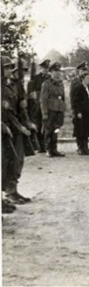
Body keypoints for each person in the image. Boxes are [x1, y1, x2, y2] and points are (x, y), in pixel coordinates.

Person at [2, 56, 33, 207]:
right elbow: (6, 112)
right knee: (6, 161)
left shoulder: (13, 85)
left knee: (17, 160)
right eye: (6, 67)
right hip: (6, 128)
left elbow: (21, 107)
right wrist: (20, 127)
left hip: (14, 128)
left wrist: (26, 122)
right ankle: (7, 193)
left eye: (10, 67)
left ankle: (12, 190)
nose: (9, 70)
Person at [40, 62, 66, 158]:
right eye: (55, 71)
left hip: (58, 109)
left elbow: (62, 97)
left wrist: (63, 109)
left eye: (58, 71)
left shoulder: (60, 84)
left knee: (56, 130)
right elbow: (43, 99)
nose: (57, 73)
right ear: (50, 72)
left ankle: (54, 149)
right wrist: (45, 113)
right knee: (48, 130)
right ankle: (48, 149)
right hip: (50, 110)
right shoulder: (46, 84)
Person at [70, 61, 89, 154]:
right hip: (79, 110)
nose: (84, 72)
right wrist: (76, 111)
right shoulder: (75, 82)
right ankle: (80, 146)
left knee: (86, 128)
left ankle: (85, 146)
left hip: (87, 109)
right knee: (79, 128)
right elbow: (73, 97)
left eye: (86, 70)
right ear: (79, 71)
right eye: (83, 70)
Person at [27, 59, 50, 152]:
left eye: (47, 68)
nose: (46, 70)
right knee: (38, 125)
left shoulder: (49, 78)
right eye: (44, 68)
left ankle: (46, 144)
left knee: (47, 125)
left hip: (47, 105)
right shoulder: (36, 78)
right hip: (37, 106)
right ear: (40, 68)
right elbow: (32, 94)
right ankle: (39, 145)